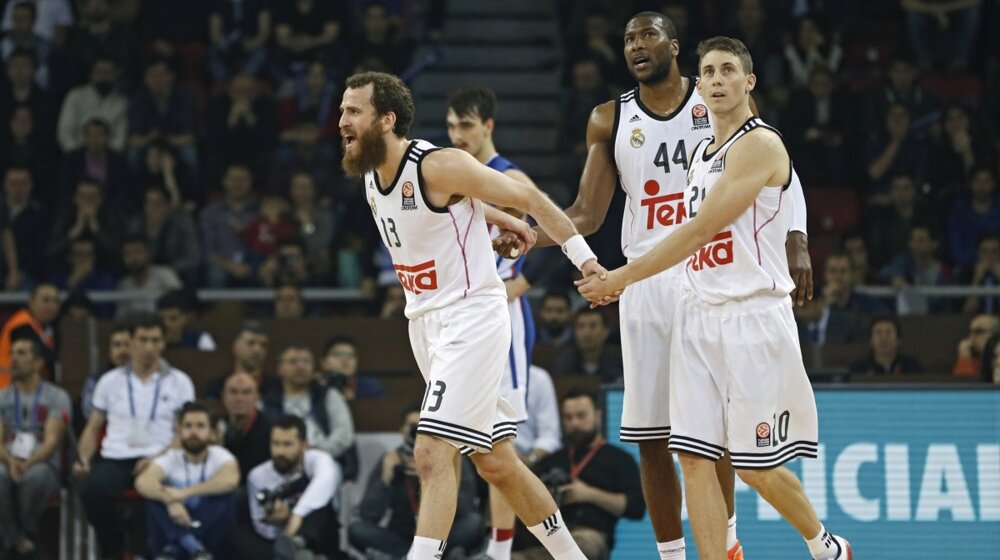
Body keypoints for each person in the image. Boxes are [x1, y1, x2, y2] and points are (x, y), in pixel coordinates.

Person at [502, 12, 812, 560]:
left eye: (649, 35)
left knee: (713, 434)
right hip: (644, 279)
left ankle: (728, 545)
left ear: (673, 45)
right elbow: (587, 213)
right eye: (628, 39)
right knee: (652, 436)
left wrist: (798, 236)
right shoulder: (609, 117)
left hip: (706, 276)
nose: (637, 45)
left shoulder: (716, 97)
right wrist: (530, 235)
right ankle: (673, 554)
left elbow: (777, 165)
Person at [578, 36, 851, 560]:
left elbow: (700, 230)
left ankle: (825, 545)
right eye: (709, 71)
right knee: (693, 456)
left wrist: (622, 277)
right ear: (698, 86)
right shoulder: (702, 157)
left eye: (729, 70)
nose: (718, 79)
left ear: (749, 82)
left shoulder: (760, 144)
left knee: (753, 466)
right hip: (699, 315)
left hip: (751, 316)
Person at [339, 71, 602, 560]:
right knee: (497, 463)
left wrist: (585, 261)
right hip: (426, 325)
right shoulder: (372, 175)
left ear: (387, 120)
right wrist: (495, 219)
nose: (342, 121)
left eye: (353, 111)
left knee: (430, 450)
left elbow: (530, 199)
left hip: (471, 318)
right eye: (342, 111)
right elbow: (455, 210)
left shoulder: (438, 165)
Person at [445, 84, 542, 560]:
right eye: (450, 126)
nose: (456, 135)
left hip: (502, 314)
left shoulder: (509, 177)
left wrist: (521, 283)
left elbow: (557, 228)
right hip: (462, 314)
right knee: (459, 437)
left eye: (465, 125)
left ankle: (500, 550)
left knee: (500, 442)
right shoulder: (449, 173)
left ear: (488, 126)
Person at [74, 313, 196, 559]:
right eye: (143, 340)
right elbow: (92, 427)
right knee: (91, 491)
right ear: (130, 343)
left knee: (160, 495)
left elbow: (184, 432)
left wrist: (157, 458)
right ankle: (115, 547)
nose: (149, 347)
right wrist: (84, 459)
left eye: (155, 340)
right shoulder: (110, 381)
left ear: (163, 344)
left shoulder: (180, 381)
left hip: (161, 458)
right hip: (117, 457)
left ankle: (150, 550)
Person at [513, 387, 645, 560]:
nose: (574, 423)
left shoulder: (619, 459)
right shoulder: (552, 460)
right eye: (568, 417)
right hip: (551, 534)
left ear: (598, 415)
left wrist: (589, 494)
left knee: (585, 543)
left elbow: (636, 508)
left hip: (590, 535)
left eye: (581, 416)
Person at [349, 405, 483, 559]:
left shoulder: (450, 459)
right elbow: (368, 514)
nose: (418, 432)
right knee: (357, 529)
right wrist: (385, 478)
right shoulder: (392, 459)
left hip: (442, 534)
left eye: (423, 426)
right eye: (412, 426)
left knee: (473, 523)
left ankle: (408, 556)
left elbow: (466, 508)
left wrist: (433, 479)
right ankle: (425, 555)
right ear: (401, 430)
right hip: (401, 534)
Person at [135, 401, 239, 559]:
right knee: (154, 498)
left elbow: (230, 480)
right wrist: (170, 501)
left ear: (212, 432)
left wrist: (183, 493)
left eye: (200, 426)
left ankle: (181, 543)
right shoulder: (171, 458)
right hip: (177, 525)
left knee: (225, 495)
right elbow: (143, 482)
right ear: (179, 431)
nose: (193, 432)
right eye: (188, 426)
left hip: (209, 536)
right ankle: (192, 546)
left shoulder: (219, 455)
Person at [0, 338, 71, 559]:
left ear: (39, 362)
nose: (14, 359)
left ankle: (18, 540)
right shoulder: (2, 397)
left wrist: (27, 463)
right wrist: (10, 461)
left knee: (34, 478)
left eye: (22, 353)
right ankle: (19, 542)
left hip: (42, 461)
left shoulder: (56, 396)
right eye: (12, 353)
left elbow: (52, 441)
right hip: (6, 459)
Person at [236, 415, 342, 560]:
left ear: (304, 445)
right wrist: (279, 521)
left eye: (287, 445)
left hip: (318, 538)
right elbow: (260, 525)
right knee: (238, 534)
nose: (280, 451)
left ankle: (300, 544)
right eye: (275, 444)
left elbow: (324, 483)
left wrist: (293, 517)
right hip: (275, 543)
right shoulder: (257, 476)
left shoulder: (316, 461)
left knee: (319, 505)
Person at [263, 344, 354, 465]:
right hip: (281, 463)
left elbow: (343, 435)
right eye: (293, 361)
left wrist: (315, 455)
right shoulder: (268, 401)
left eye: (306, 361)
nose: (300, 366)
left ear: (313, 367)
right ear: (280, 368)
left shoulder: (329, 395)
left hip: (325, 460)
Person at [0, 282, 58, 388]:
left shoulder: (42, 326)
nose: (51, 306)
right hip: (7, 388)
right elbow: (45, 357)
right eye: (45, 300)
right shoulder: (21, 325)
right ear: (31, 302)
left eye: (55, 301)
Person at [203, 322, 280, 400]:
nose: (257, 350)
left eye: (263, 345)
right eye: (251, 343)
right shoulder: (217, 386)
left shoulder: (277, 387)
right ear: (235, 347)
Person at [219, 372, 272, 481]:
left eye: (246, 392)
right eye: (233, 392)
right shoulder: (214, 428)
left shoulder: (272, 430)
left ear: (257, 397)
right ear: (223, 396)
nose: (239, 398)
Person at [551, 308, 623, 383]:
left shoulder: (620, 361)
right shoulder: (563, 364)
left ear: (606, 331)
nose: (586, 333)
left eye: (593, 326)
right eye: (581, 326)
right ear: (574, 332)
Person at [80, 321, 129, 420]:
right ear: (109, 351)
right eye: (117, 345)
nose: (122, 350)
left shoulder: (144, 380)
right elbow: (88, 412)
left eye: (127, 345)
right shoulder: (95, 380)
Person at [848, 317, 924, 376]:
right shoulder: (857, 370)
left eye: (889, 332)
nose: (884, 338)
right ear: (870, 341)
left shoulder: (913, 368)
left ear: (898, 341)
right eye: (878, 332)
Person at [320, 336, 383, 400]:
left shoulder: (369, 386)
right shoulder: (318, 384)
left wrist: (355, 401)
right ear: (323, 362)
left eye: (350, 355)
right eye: (337, 355)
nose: (345, 360)